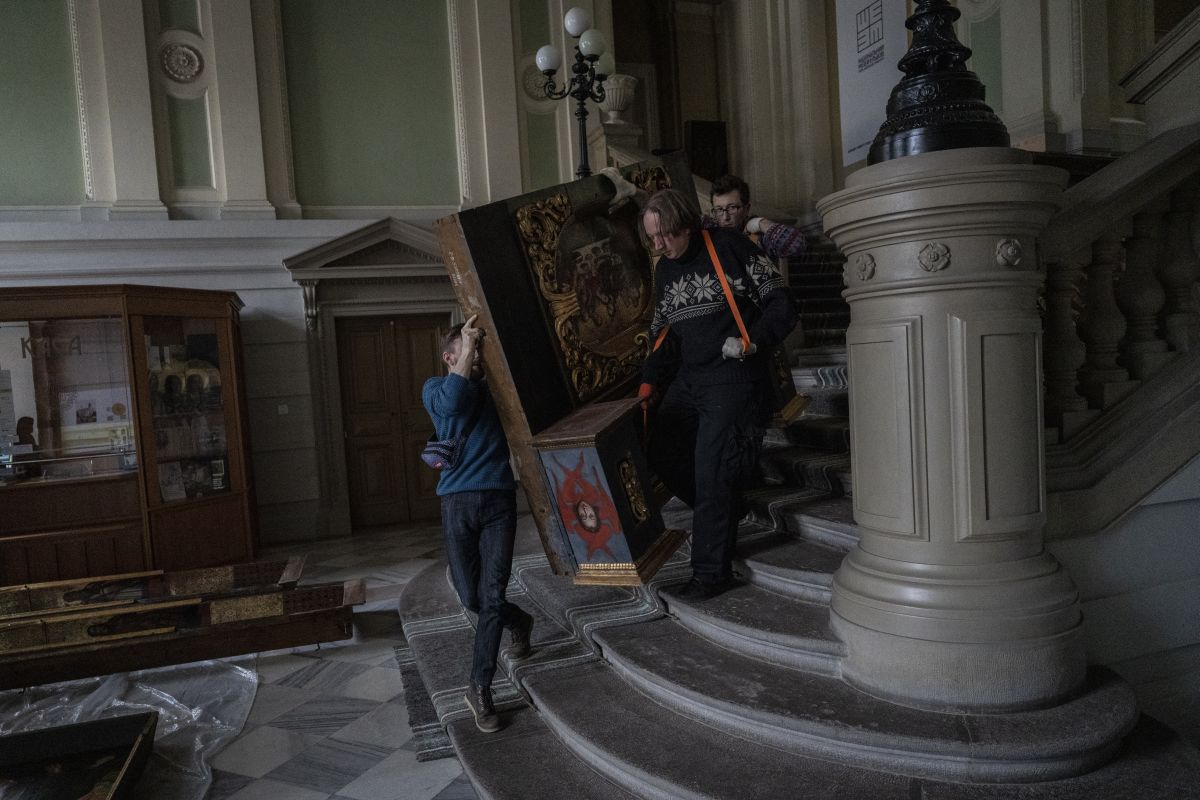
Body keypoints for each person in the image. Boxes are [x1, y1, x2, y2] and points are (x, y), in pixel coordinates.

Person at [638, 189, 797, 600]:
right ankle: (727, 505)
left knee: (711, 472)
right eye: (651, 237)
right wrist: (649, 382)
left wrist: (752, 341)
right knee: (661, 450)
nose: (658, 245)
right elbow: (664, 334)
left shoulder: (730, 248)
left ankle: (711, 573)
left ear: (686, 225)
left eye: (665, 236)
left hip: (734, 376)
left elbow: (782, 305)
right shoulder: (665, 270)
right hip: (691, 379)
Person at [421, 314, 534, 733]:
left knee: (490, 595)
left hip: (499, 501)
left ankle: (479, 687)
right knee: (471, 597)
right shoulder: (435, 389)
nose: (476, 360)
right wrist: (466, 353)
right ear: (450, 356)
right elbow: (453, 405)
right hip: (457, 502)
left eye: (477, 352)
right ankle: (518, 621)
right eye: (466, 352)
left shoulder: (493, 391)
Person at [706, 174, 808, 259]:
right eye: (719, 209)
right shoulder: (708, 231)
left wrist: (759, 222)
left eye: (732, 207)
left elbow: (796, 245)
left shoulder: (756, 239)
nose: (725, 217)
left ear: (746, 209)